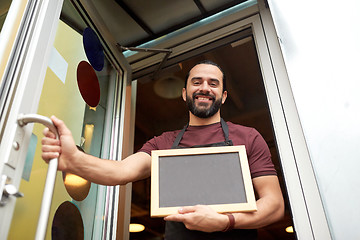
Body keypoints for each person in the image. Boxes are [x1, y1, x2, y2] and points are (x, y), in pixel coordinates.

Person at [42, 60, 284, 239]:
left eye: (213, 83)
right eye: (196, 82)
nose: (205, 88)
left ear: (223, 95)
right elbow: (120, 172)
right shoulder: (163, 143)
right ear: (184, 93)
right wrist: (74, 159)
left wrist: (224, 222)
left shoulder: (248, 137)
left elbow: (274, 204)